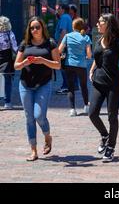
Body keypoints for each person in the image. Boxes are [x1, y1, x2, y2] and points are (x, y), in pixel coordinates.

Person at [89, 14, 119, 163]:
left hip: (113, 86)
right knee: (92, 113)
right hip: (98, 83)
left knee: (112, 116)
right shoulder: (98, 40)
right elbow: (97, 59)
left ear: (108, 24)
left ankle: (111, 147)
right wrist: (91, 70)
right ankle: (104, 135)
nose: (97, 24)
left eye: (100, 22)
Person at [14, 17, 61, 161]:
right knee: (29, 118)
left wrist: (43, 61)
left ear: (43, 28)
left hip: (43, 84)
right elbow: (16, 66)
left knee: (39, 115)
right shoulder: (25, 44)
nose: (34, 30)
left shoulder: (50, 43)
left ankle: (47, 136)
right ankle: (33, 150)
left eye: (37, 27)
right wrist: (24, 63)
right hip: (25, 85)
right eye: (32, 28)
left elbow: (58, 65)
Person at [58, 18, 92, 117]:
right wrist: (86, 56)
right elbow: (89, 55)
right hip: (81, 65)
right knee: (83, 86)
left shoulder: (67, 36)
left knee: (71, 87)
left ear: (73, 27)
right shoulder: (85, 37)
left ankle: (72, 109)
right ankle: (86, 106)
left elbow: (59, 50)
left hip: (69, 64)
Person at [54, 4, 73, 94]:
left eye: (58, 8)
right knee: (65, 66)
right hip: (66, 45)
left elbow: (63, 32)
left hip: (64, 46)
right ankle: (69, 85)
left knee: (63, 67)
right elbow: (55, 13)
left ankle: (66, 87)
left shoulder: (64, 18)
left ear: (62, 9)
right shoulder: (66, 17)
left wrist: (58, 47)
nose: (57, 10)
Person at [0, 17, 18, 109]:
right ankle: (7, 102)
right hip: (7, 60)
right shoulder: (9, 33)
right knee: (7, 81)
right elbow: (15, 48)